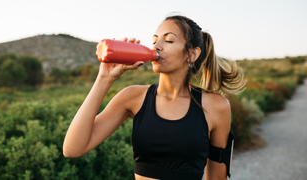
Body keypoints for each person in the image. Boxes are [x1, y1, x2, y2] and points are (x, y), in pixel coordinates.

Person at [63, 15, 246, 180]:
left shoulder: (216, 106)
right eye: (155, 40)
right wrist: (104, 78)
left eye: (168, 40)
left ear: (192, 54)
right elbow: (72, 149)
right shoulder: (133, 97)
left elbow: (217, 177)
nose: (157, 46)